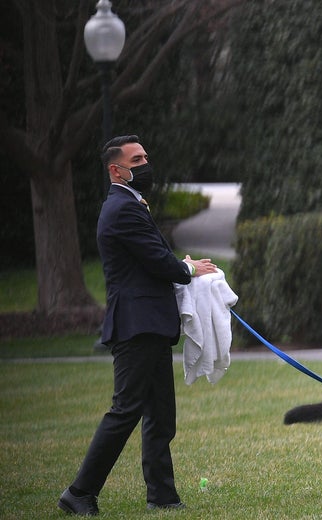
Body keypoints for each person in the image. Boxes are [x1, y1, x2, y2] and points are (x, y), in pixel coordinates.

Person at [58, 135, 218, 516]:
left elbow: (153, 255)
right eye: (137, 158)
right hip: (136, 325)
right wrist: (186, 269)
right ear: (116, 169)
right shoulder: (122, 208)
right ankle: (79, 492)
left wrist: (182, 263)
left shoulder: (131, 204)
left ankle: (161, 495)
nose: (145, 163)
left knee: (160, 414)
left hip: (150, 324)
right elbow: (158, 262)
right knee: (125, 410)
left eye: (145, 155)